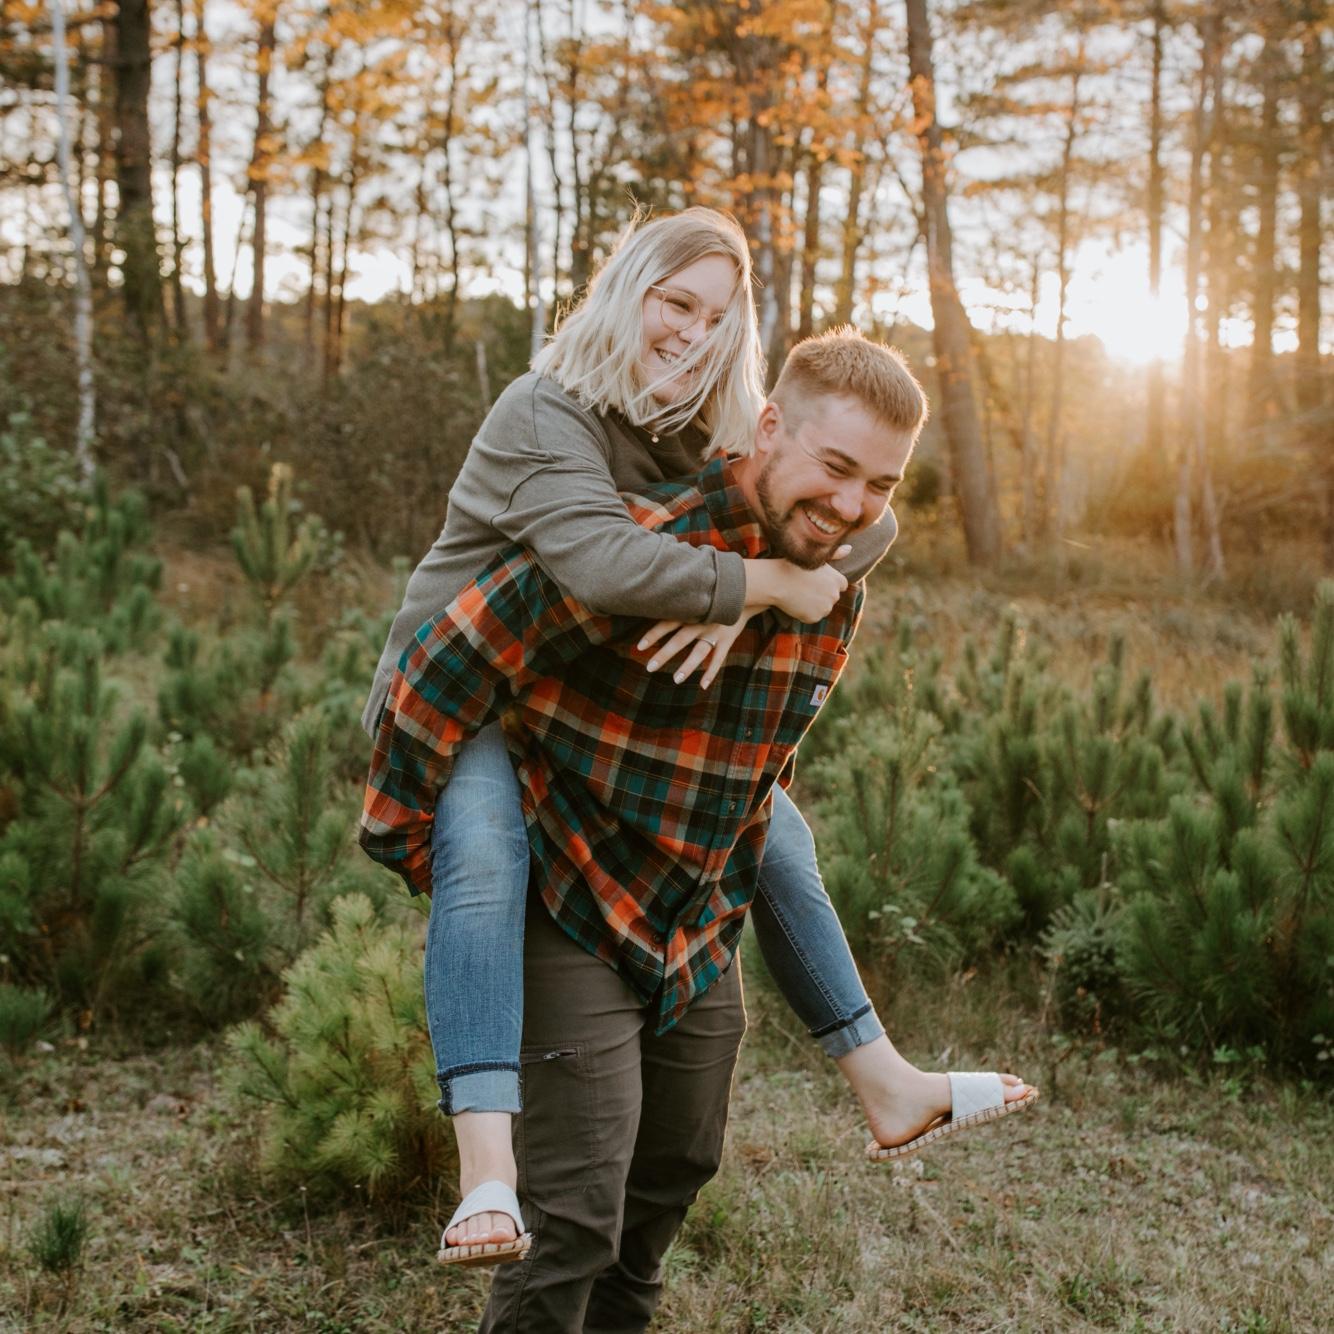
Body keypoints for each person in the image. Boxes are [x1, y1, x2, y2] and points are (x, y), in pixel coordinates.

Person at [361, 209, 1019, 1266]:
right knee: (485, 856)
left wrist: (759, 586)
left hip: (561, 700)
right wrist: (756, 585)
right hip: (461, 694)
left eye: (720, 317)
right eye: (676, 302)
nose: (692, 333)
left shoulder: (706, 419)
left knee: (772, 830)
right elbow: (605, 567)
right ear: (627, 289)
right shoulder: (547, 411)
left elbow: (860, 517)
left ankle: (880, 1074)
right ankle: (486, 1163)